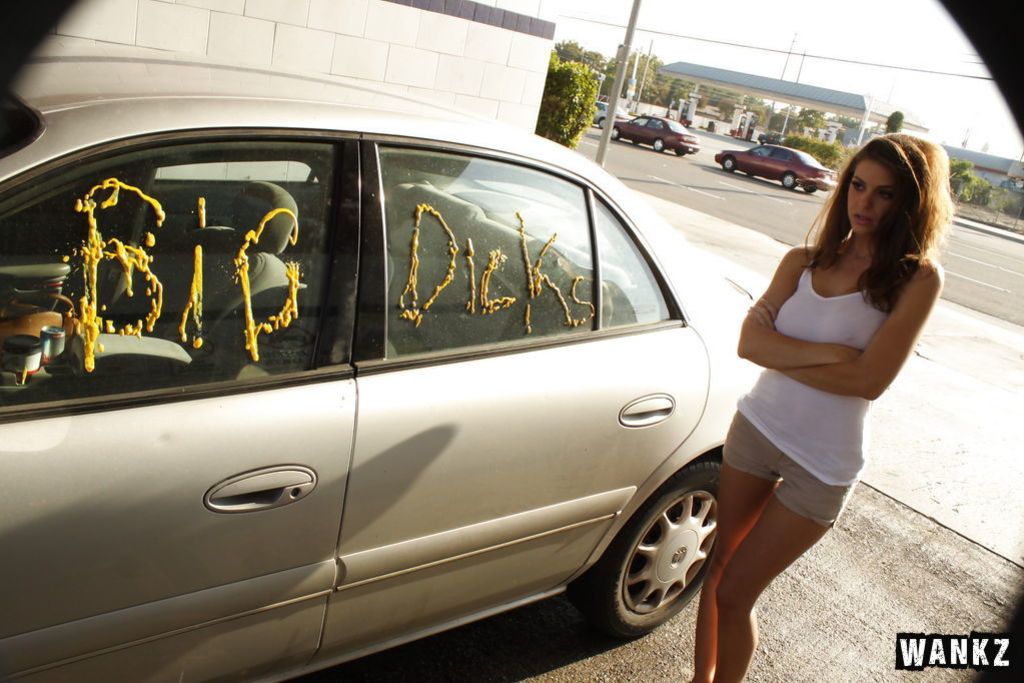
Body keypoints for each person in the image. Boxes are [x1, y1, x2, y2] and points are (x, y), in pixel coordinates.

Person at [689, 134, 953, 683]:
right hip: (757, 428)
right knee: (716, 569)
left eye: (884, 194)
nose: (865, 203)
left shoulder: (916, 280)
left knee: (737, 592)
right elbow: (747, 345)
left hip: (823, 465)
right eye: (858, 186)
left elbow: (870, 380)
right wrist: (830, 355)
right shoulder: (800, 262)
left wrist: (783, 351)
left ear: (908, 203)